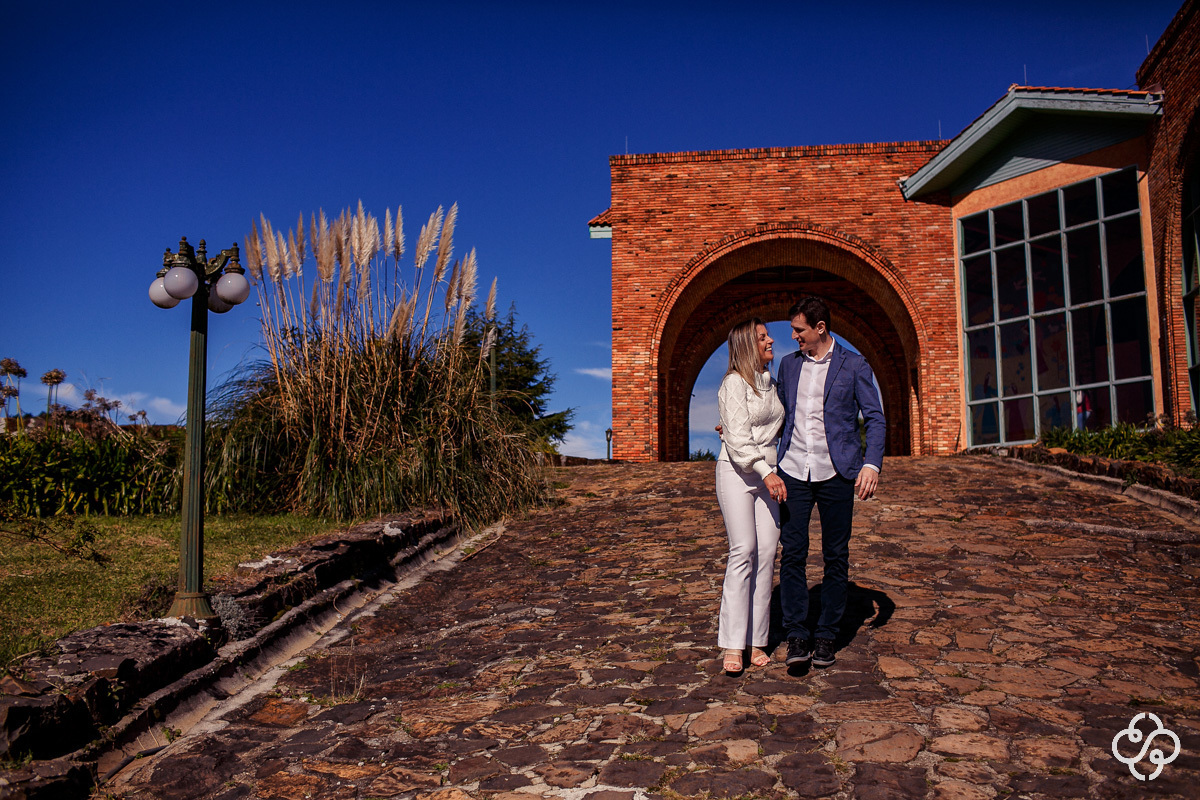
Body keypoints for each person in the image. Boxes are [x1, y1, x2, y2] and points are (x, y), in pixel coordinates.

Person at [775, 297, 885, 669]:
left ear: (820, 328)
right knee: (793, 554)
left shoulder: (854, 364)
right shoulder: (788, 367)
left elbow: (875, 417)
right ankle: (796, 634)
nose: (793, 337)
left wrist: (871, 464)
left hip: (838, 473)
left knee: (836, 556)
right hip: (793, 469)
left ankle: (826, 634)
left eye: (799, 330)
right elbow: (777, 414)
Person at [715, 318, 787, 673]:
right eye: (762, 337)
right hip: (738, 472)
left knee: (767, 554)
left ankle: (757, 640)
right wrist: (767, 473)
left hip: (768, 473)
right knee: (743, 549)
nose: (770, 340)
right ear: (747, 345)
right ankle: (731, 644)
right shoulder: (733, 383)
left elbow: (772, 427)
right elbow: (739, 440)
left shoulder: (772, 384)